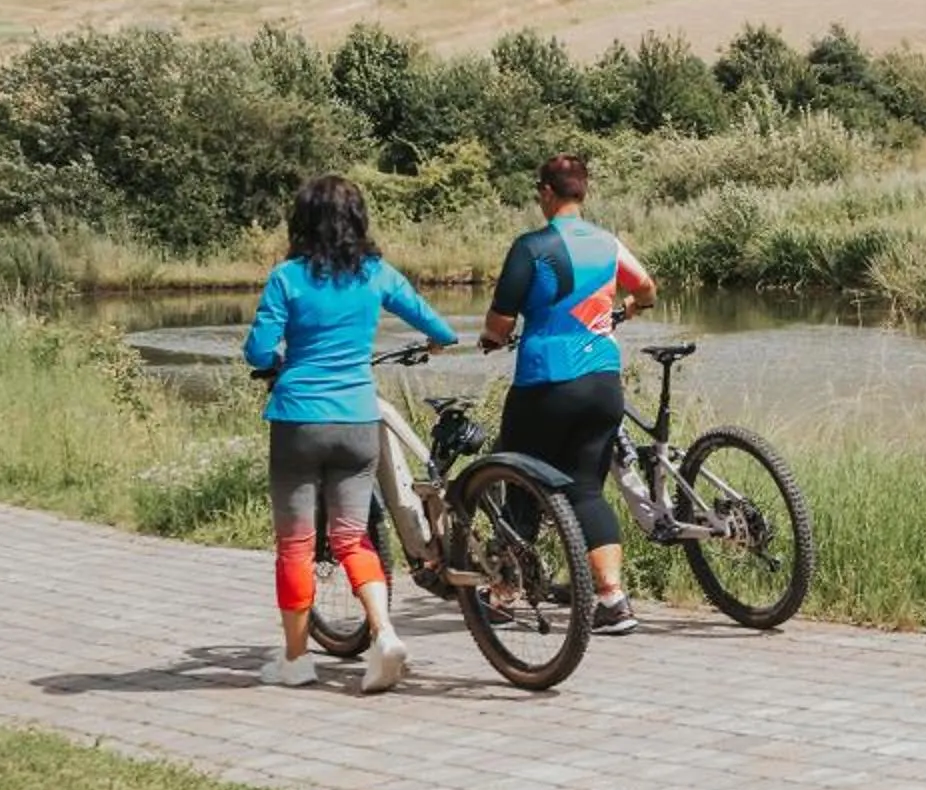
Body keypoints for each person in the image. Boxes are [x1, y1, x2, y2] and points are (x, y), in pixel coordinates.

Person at [243, 174, 460, 692]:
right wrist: (435, 345)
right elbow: (442, 329)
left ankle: (296, 661)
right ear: (357, 221)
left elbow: (256, 351)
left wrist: (277, 359)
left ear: (303, 222)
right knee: (351, 537)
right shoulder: (377, 274)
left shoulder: (287, 278)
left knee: (296, 545)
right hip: (359, 419)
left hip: (298, 420)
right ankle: (384, 635)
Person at [481, 152, 656, 635]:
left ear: (545, 193)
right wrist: (626, 309)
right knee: (584, 490)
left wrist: (490, 341)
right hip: (603, 383)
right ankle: (613, 601)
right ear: (584, 193)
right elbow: (647, 290)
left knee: (516, 479)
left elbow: (500, 323)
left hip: (545, 383)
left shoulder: (531, 246)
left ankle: (503, 595)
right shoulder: (609, 243)